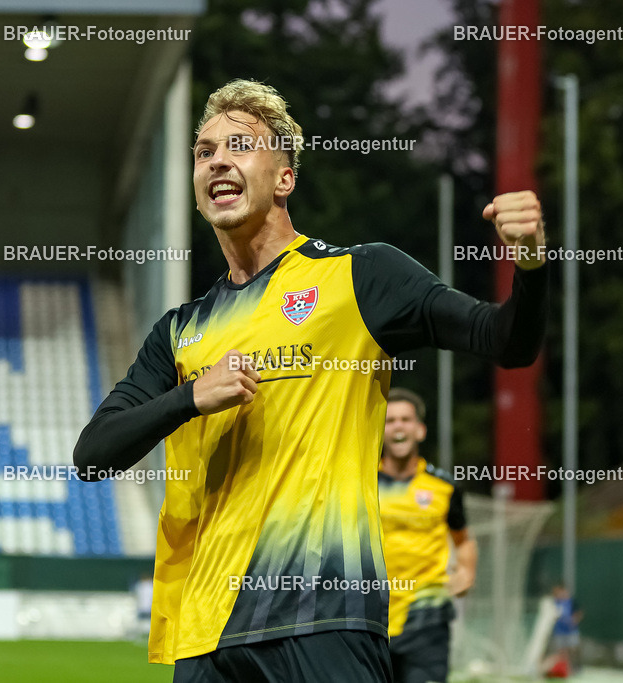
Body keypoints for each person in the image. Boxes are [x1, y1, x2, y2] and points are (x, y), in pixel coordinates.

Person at [74, 78, 548, 681]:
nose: (217, 159)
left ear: (284, 177)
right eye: (203, 151)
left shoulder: (362, 275)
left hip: (325, 616)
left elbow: (507, 341)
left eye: (239, 145)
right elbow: (92, 455)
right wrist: (191, 397)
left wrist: (530, 261)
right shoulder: (179, 332)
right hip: (205, 630)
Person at [379, 388, 477, 683]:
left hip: (427, 617)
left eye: (406, 419)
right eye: (390, 420)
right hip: (369, 616)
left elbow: (464, 539)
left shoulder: (444, 486)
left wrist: (467, 570)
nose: (398, 426)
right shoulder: (358, 482)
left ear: (420, 430)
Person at [543, 583, 582, 677]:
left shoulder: (571, 602)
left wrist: (574, 620)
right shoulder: (554, 602)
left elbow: (579, 612)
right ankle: (565, 669)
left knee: (573, 649)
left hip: (571, 631)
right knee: (562, 651)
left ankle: (575, 668)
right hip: (559, 632)